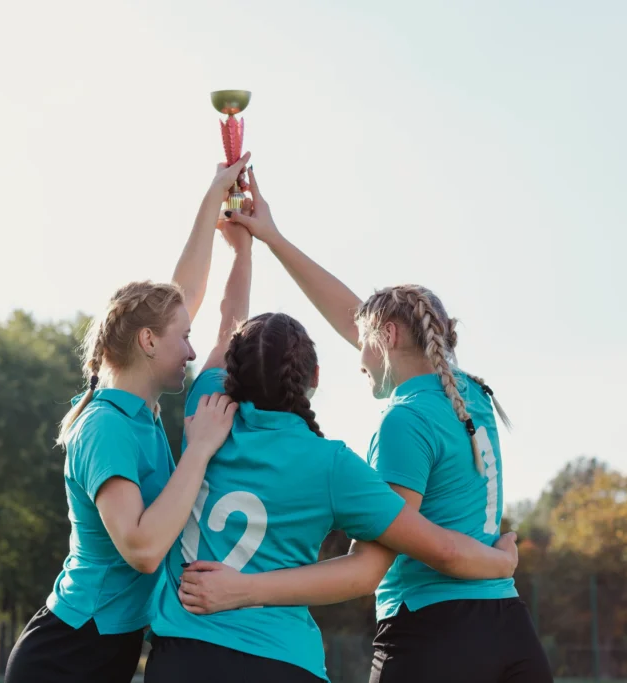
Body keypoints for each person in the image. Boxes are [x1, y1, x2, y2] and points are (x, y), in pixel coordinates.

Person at [176, 167, 553, 683]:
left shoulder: (404, 420)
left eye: (365, 341)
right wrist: (272, 238)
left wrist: (245, 588)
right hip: (510, 627)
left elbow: (379, 562)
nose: (358, 356)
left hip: (433, 629)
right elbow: (364, 321)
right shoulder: (471, 396)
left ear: (391, 336)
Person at [4, 154, 250, 683]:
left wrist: (226, 222)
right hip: (65, 658)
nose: (192, 351)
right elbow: (142, 549)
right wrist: (199, 450)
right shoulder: (106, 426)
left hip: (105, 652)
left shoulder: (139, 413)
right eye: (183, 338)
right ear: (147, 342)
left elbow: (186, 300)